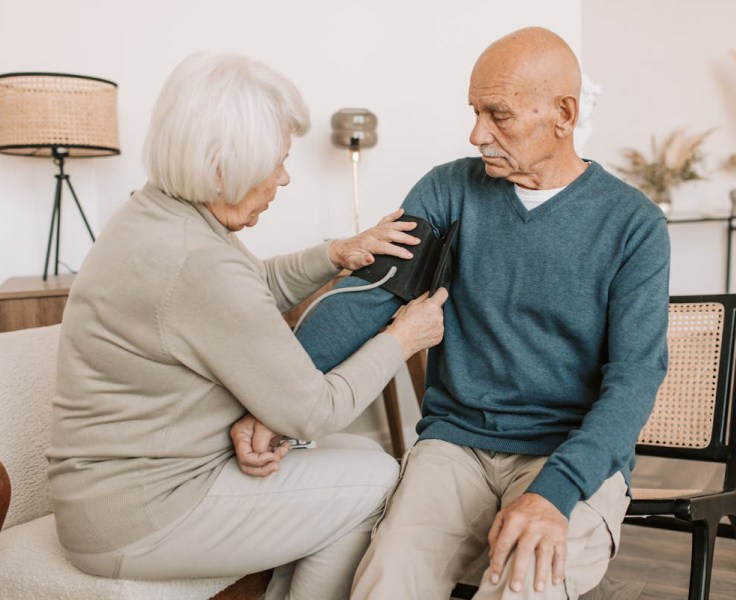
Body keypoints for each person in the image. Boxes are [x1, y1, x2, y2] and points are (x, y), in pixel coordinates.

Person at [241, 26, 670, 599]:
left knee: (524, 585)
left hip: (563, 450)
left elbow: (635, 378)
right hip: (455, 444)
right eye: (474, 111)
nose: (476, 134)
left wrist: (557, 492)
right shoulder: (448, 191)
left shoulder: (633, 225)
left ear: (563, 115)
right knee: (386, 581)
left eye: (498, 114)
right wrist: (280, 400)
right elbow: (368, 300)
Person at [45, 52, 447, 600]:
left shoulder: (159, 212)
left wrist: (335, 253)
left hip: (119, 493)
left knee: (358, 459)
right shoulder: (195, 261)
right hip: (139, 516)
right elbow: (314, 411)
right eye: (276, 162)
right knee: (377, 480)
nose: (284, 178)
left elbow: (245, 287)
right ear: (220, 167)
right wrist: (403, 338)